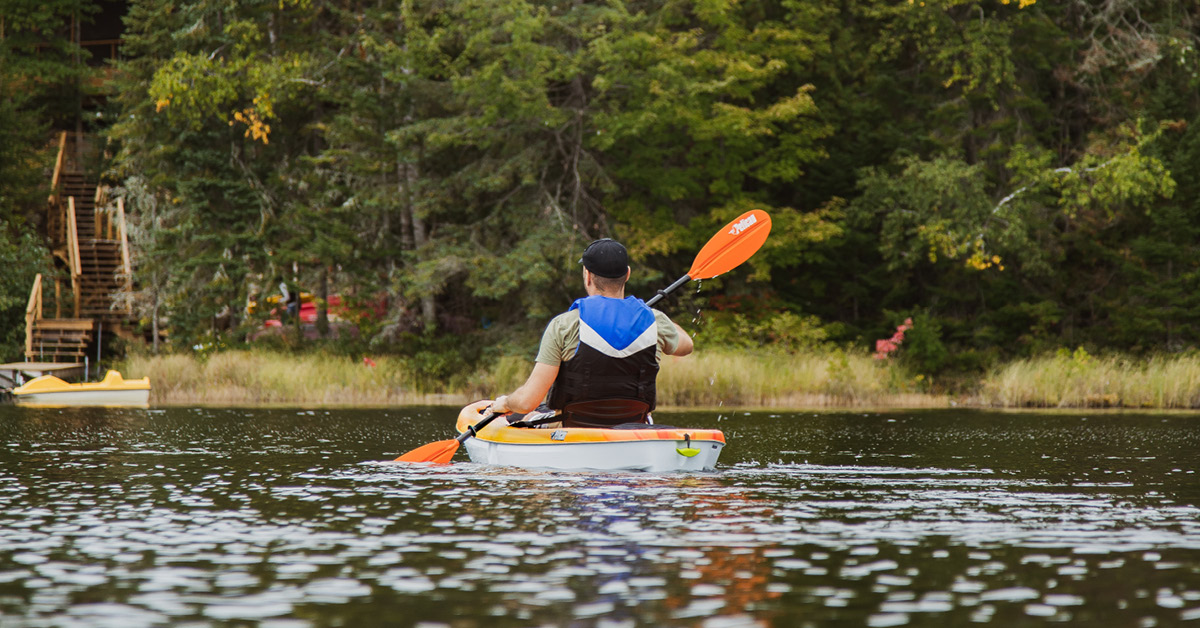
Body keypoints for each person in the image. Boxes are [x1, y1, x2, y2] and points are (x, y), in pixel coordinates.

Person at [490, 238, 693, 428]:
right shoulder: (655, 321)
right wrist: (656, 318)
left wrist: (505, 403)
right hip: (633, 426)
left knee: (516, 418)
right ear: (628, 274)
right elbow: (686, 346)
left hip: (572, 427)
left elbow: (527, 402)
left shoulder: (563, 325)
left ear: (587, 276)